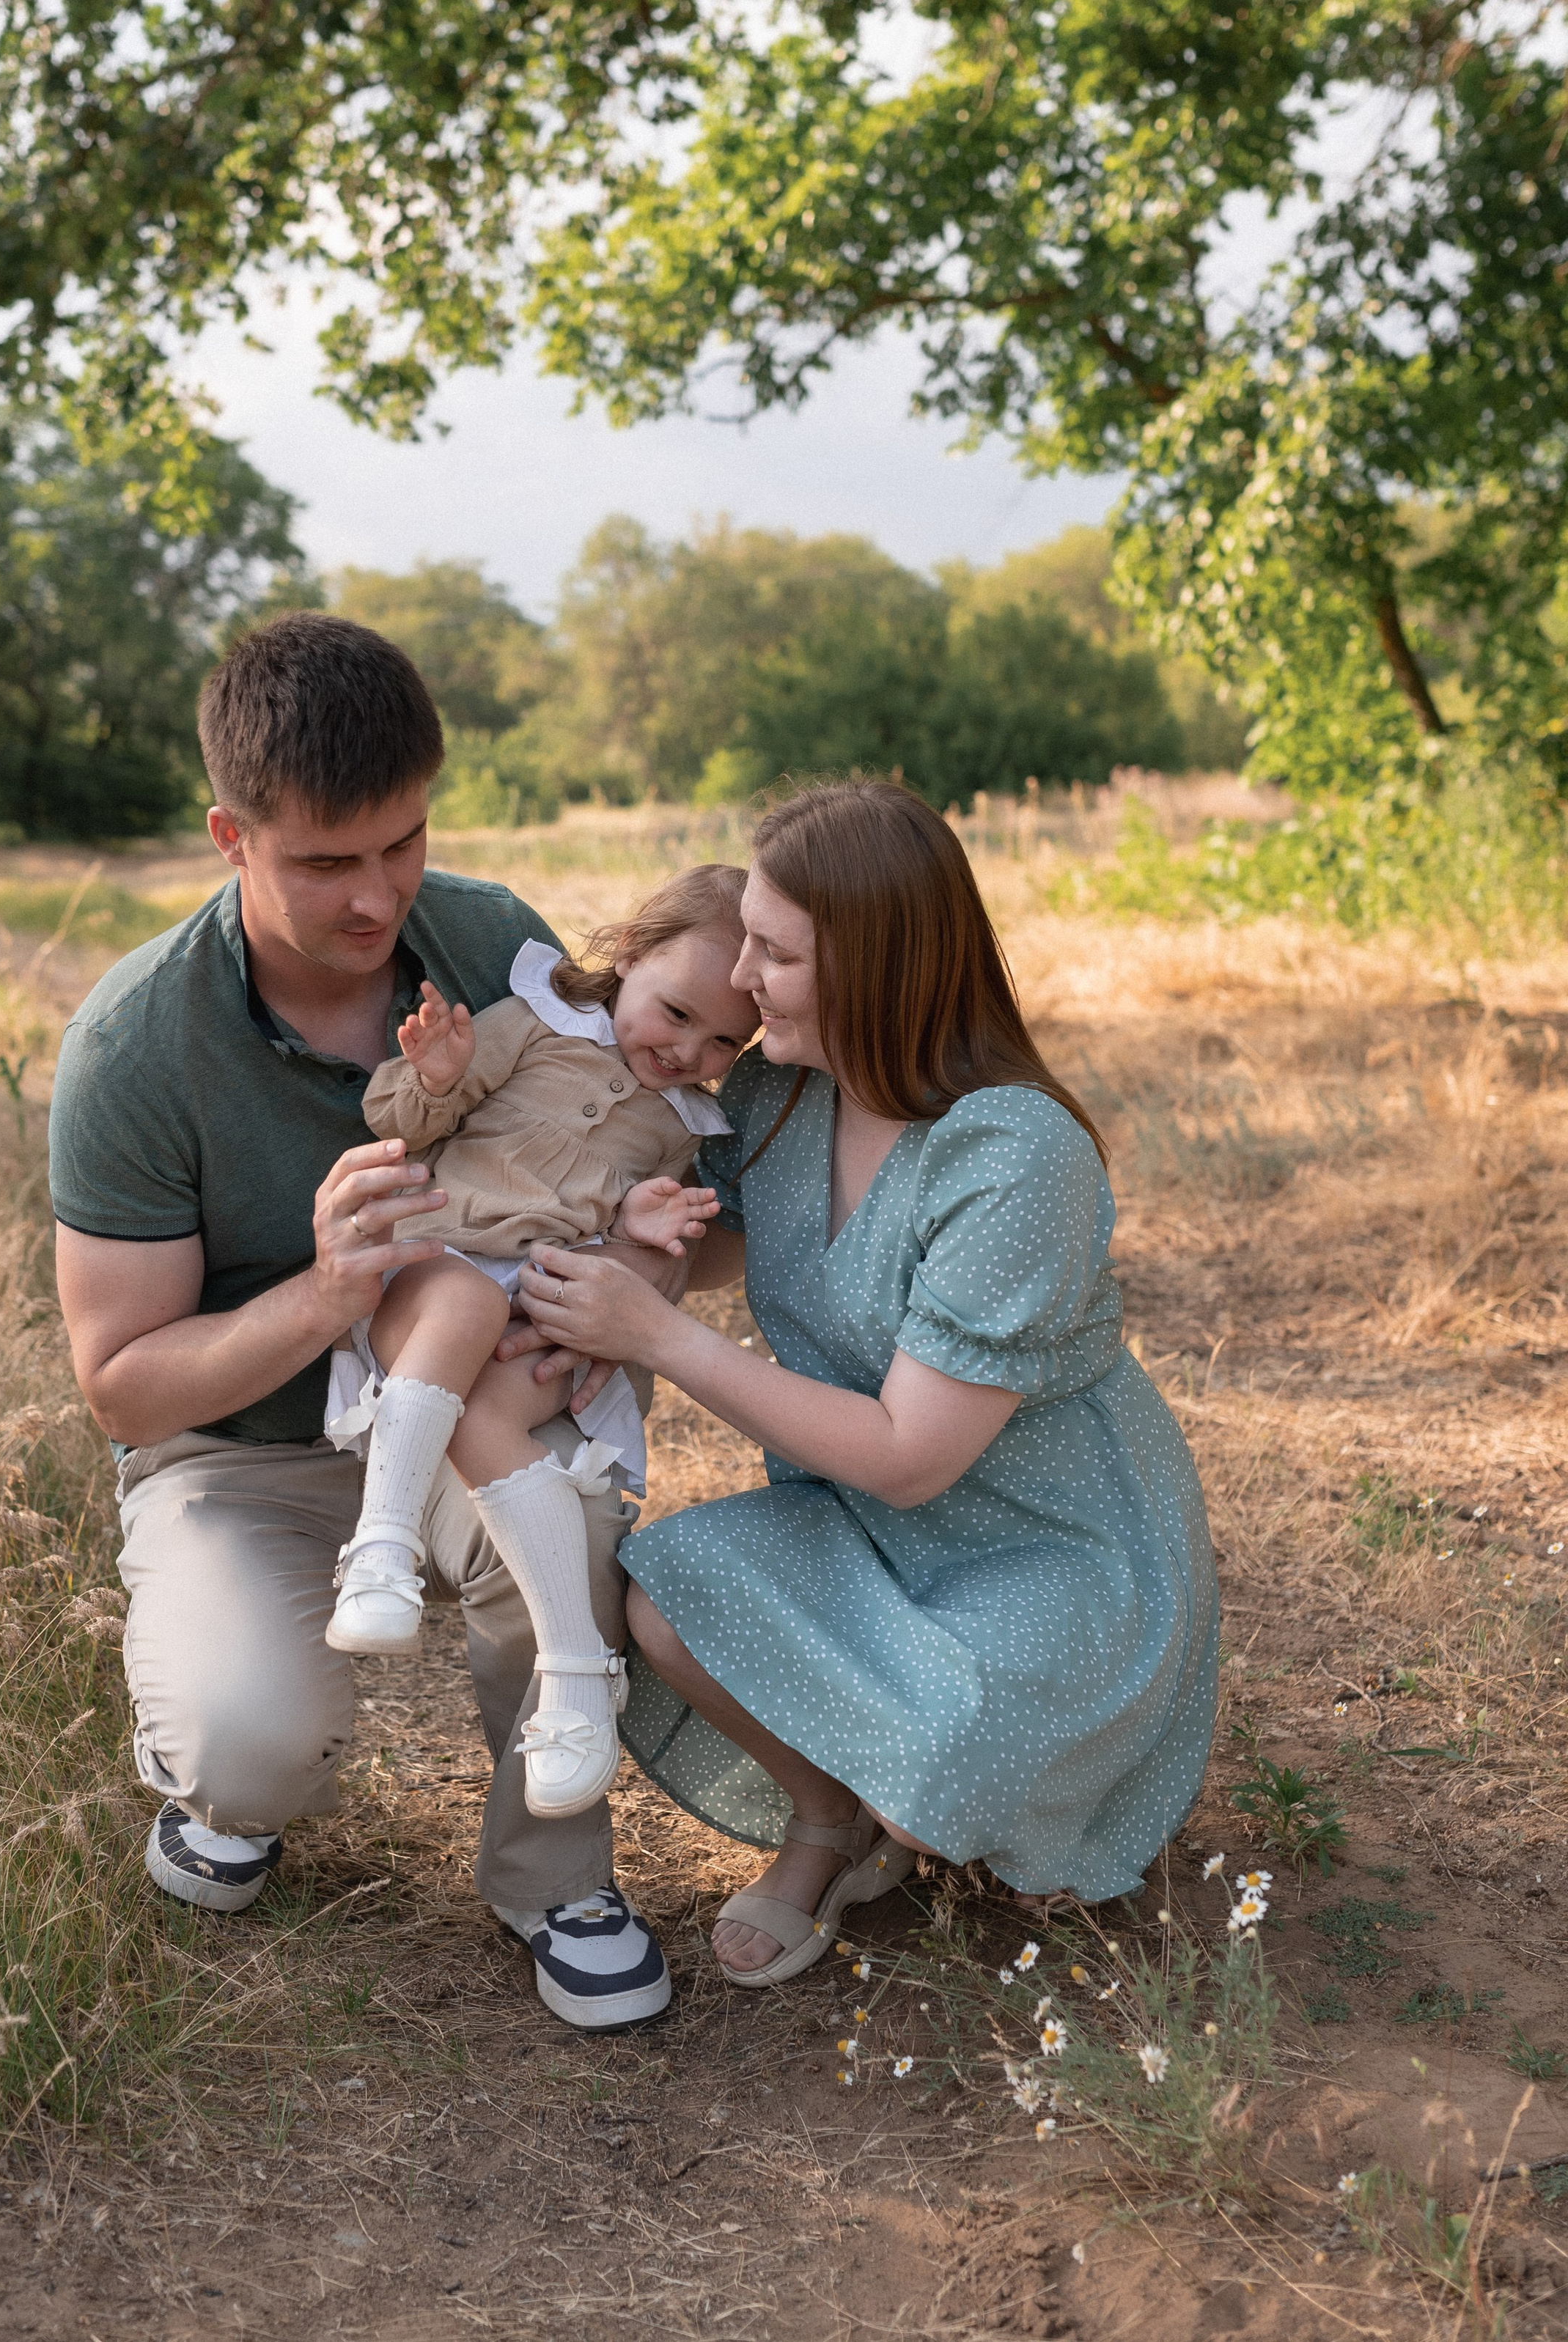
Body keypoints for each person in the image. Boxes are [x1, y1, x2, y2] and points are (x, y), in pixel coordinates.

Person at [46, 610, 675, 2029]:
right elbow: (124, 1388)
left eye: (403, 843)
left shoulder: (497, 941)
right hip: (241, 1449)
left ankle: (556, 1878)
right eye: (327, 862)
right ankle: (229, 1789)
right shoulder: (133, 1044)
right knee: (250, 1744)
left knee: (569, 1516)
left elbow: (630, 1148)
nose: (378, 897)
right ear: (231, 836)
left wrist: (611, 1305)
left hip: (469, 1409)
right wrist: (329, 1292)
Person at [515, 777, 1219, 1988]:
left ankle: (986, 1796)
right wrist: (619, 1258)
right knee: (665, 1606)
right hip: (858, 1521)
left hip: (1049, 1545)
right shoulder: (778, 1091)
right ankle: (827, 1820)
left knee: (940, 1786)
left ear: (876, 968)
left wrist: (658, 1338)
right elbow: (706, 1248)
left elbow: (909, 1455)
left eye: (777, 955)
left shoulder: (1014, 1154)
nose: (742, 979)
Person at [327, 871, 753, 1827]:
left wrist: (642, 1229)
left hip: (543, 1307)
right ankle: (382, 1548)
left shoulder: (684, 1123)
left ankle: (577, 1674)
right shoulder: (535, 1018)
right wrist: (438, 1076)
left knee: (494, 1419)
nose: (689, 1051)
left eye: (726, 1041)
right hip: (433, 1265)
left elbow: (640, 1240)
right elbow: (398, 1123)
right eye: (677, 1012)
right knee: (465, 1307)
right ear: (630, 954)